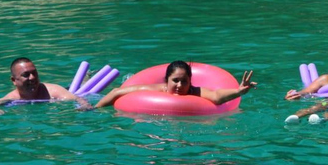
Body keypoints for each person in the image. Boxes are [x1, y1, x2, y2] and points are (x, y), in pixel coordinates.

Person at [95, 60, 255, 108]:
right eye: (175, 81)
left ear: (190, 81)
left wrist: (239, 91)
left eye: (184, 81)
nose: (179, 85)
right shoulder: (156, 90)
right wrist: (95, 109)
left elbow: (216, 96)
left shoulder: (194, 91)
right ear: (167, 81)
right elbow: (117, 91)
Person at [0, 58, 93, 115]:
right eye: (26, 75)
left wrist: (84, 105)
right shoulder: (12, 98)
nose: (32, 77)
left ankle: (86, 76)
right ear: (14, 80)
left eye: (34, 73)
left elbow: (77, 98)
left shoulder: (52, 91)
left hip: (67, 91)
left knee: (79, 88)